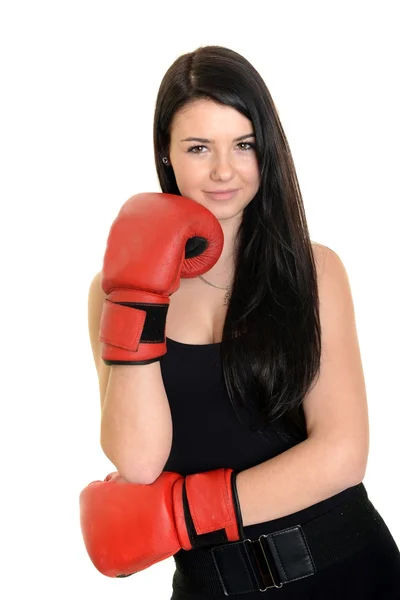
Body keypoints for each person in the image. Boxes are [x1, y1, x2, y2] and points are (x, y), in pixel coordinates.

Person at [81, 45, 400, 598]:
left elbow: (343, 453)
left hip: (345, 570)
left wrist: (184, 516)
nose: (224, 170)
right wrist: (138, 295)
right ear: (167, 155)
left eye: (243, 144)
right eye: (199, 147)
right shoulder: (114, 291)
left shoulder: (313, 270)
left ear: (266, 151)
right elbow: (138, 459)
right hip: (211, 588)